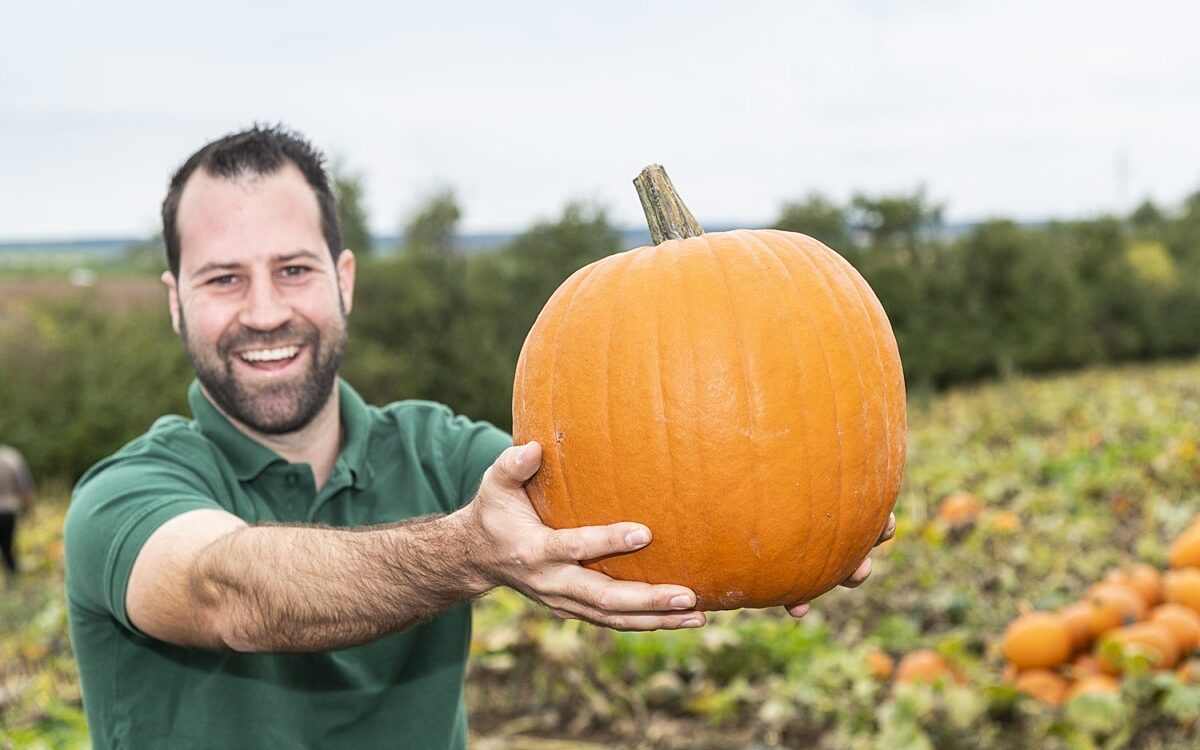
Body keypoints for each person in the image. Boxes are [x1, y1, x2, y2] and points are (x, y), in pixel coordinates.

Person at [64, 125, 893, 749]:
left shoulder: (440, 452)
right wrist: (466, 551)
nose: (266, 310)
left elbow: (654, 477)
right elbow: (224, 593)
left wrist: (814, 504)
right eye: (222, 279)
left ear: (343, 279)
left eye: (293, 269)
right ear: (174, 300)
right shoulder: (120, 497)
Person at [0, 422, 34, 582]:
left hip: (7, 508)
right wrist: (28, 508)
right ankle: (12, 580)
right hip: (9, 509)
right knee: (8, 547)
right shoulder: (12, 457)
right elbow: (24, 486)